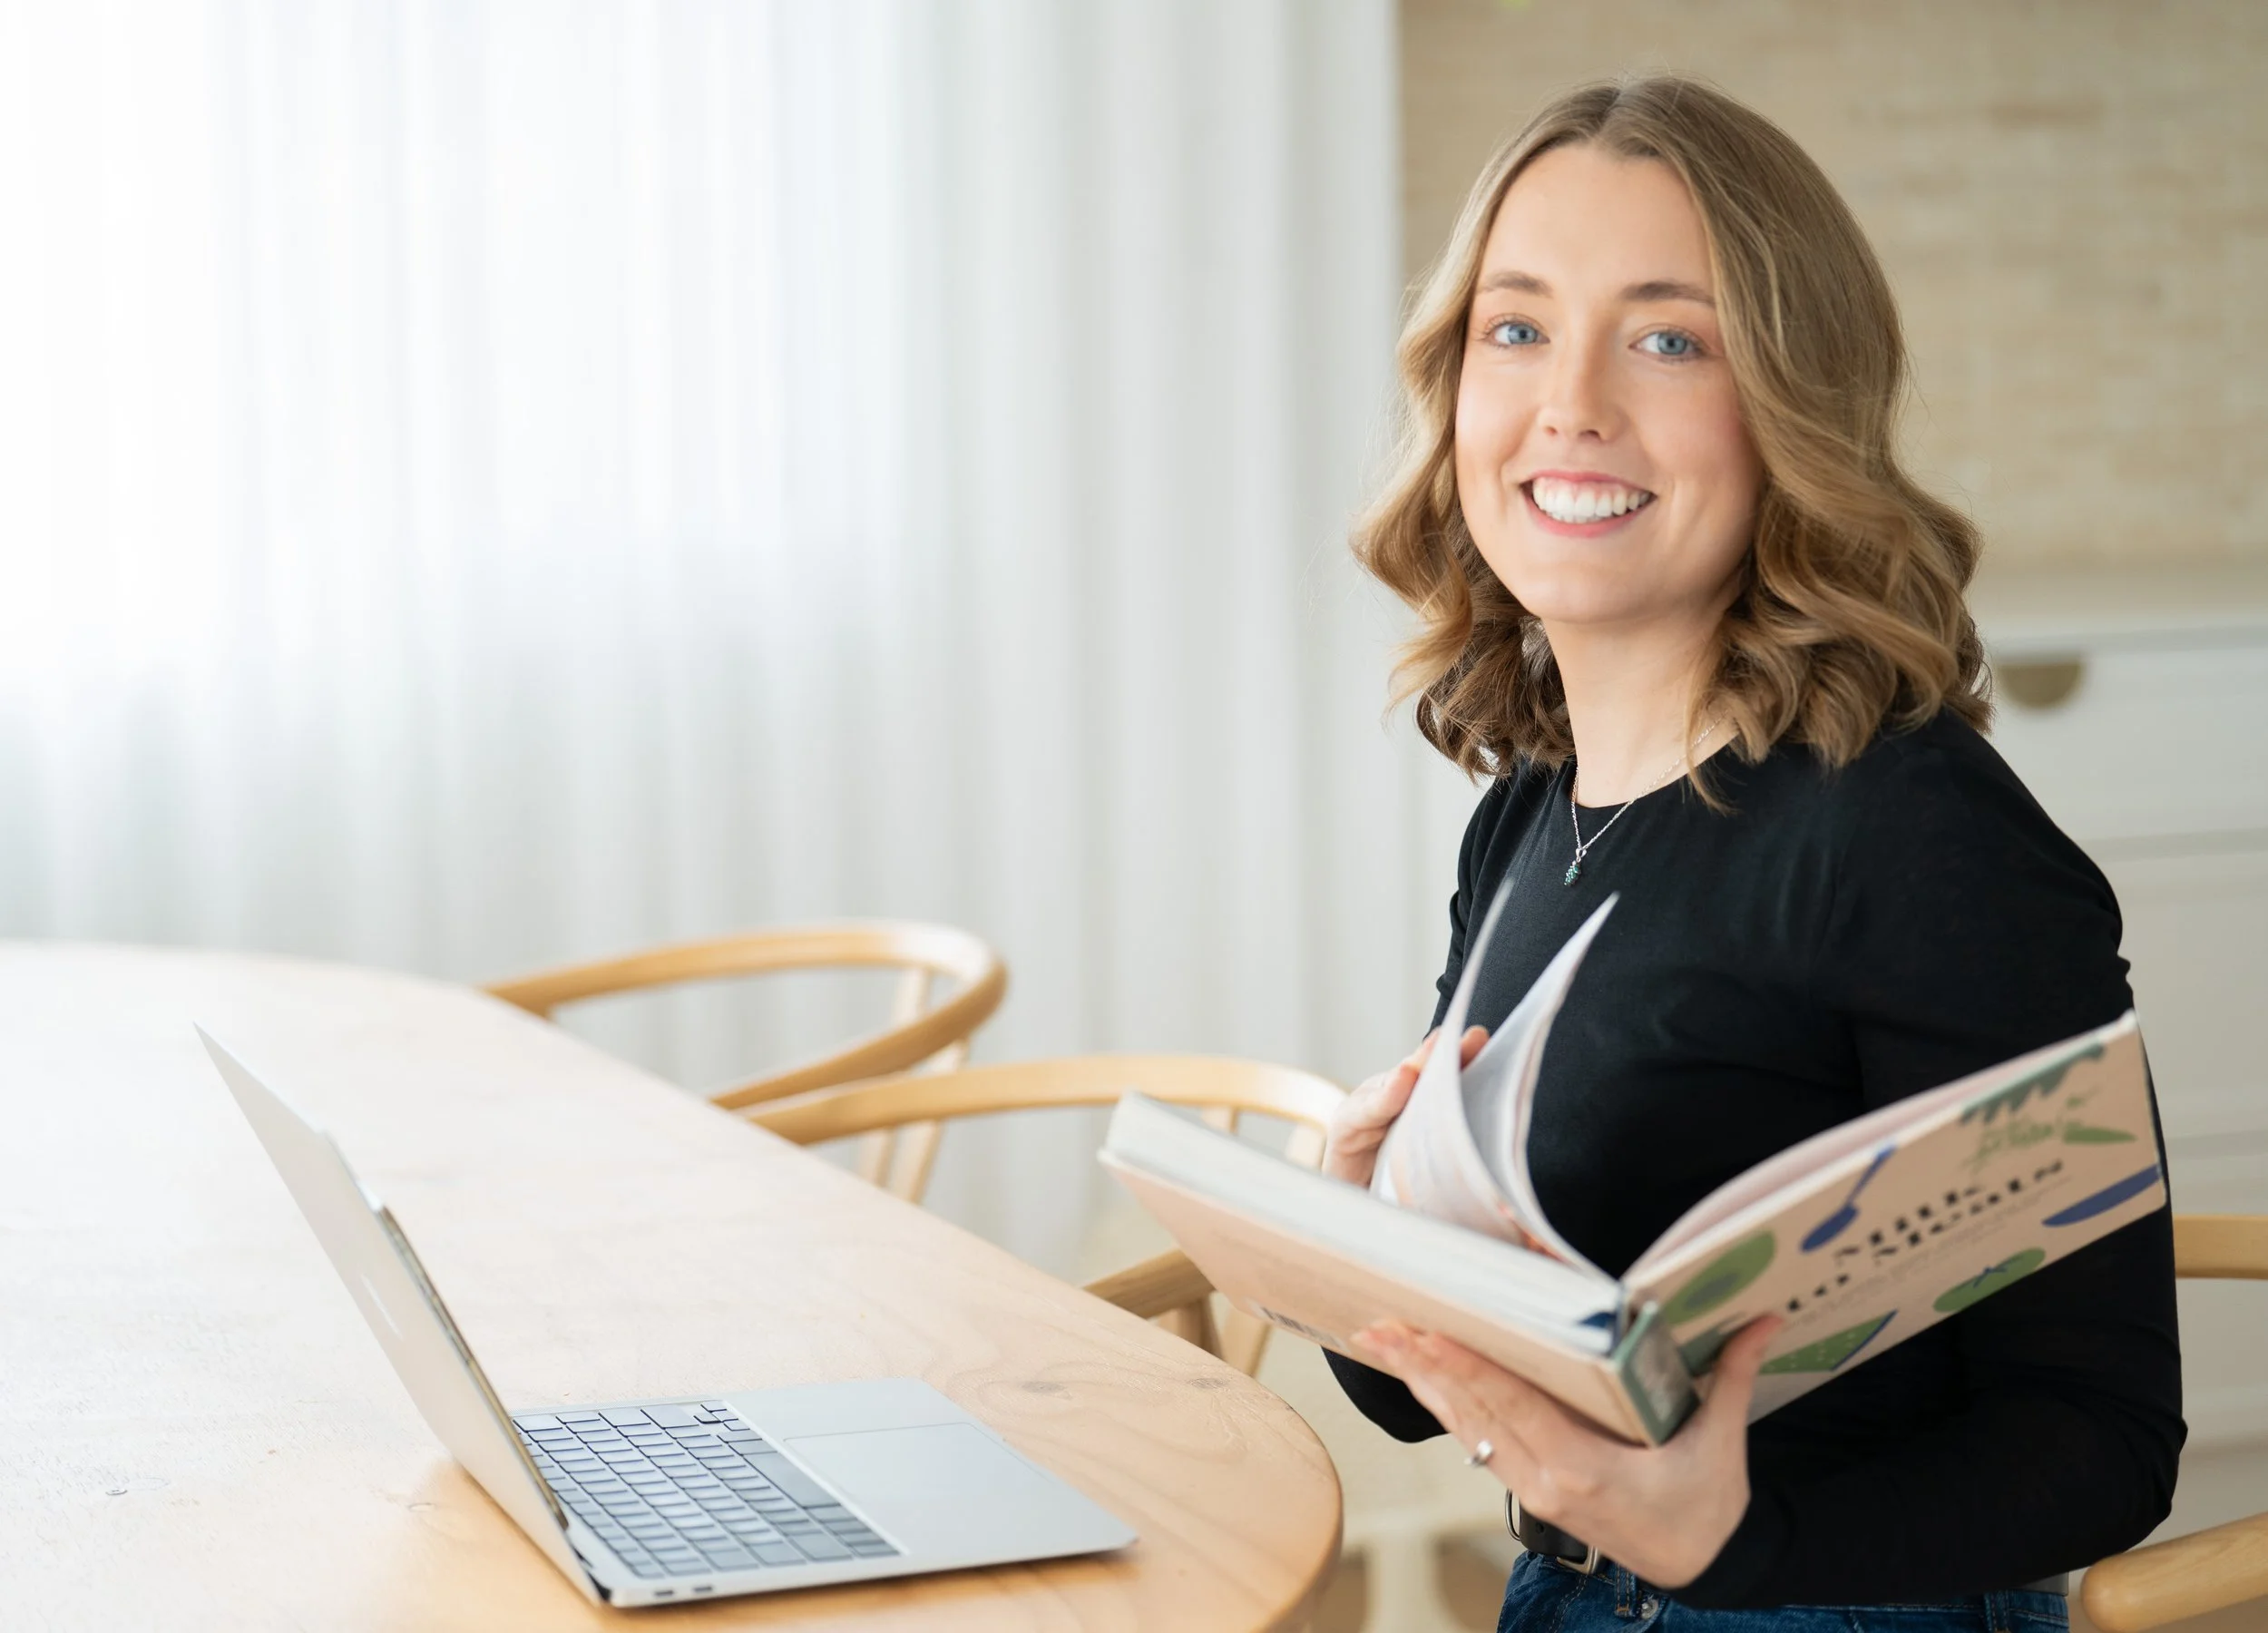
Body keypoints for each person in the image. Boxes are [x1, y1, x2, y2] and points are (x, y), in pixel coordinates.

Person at [1324, 75, 2182, 1631]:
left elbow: (2103, 1443)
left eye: (1669, 337)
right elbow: (1434, 1402)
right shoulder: (1529, 812)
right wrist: (1363, 1252)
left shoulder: (1914, 837)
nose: (1570, 402)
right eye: (1516, 328)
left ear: (1792, 404)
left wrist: (1734, 1541)